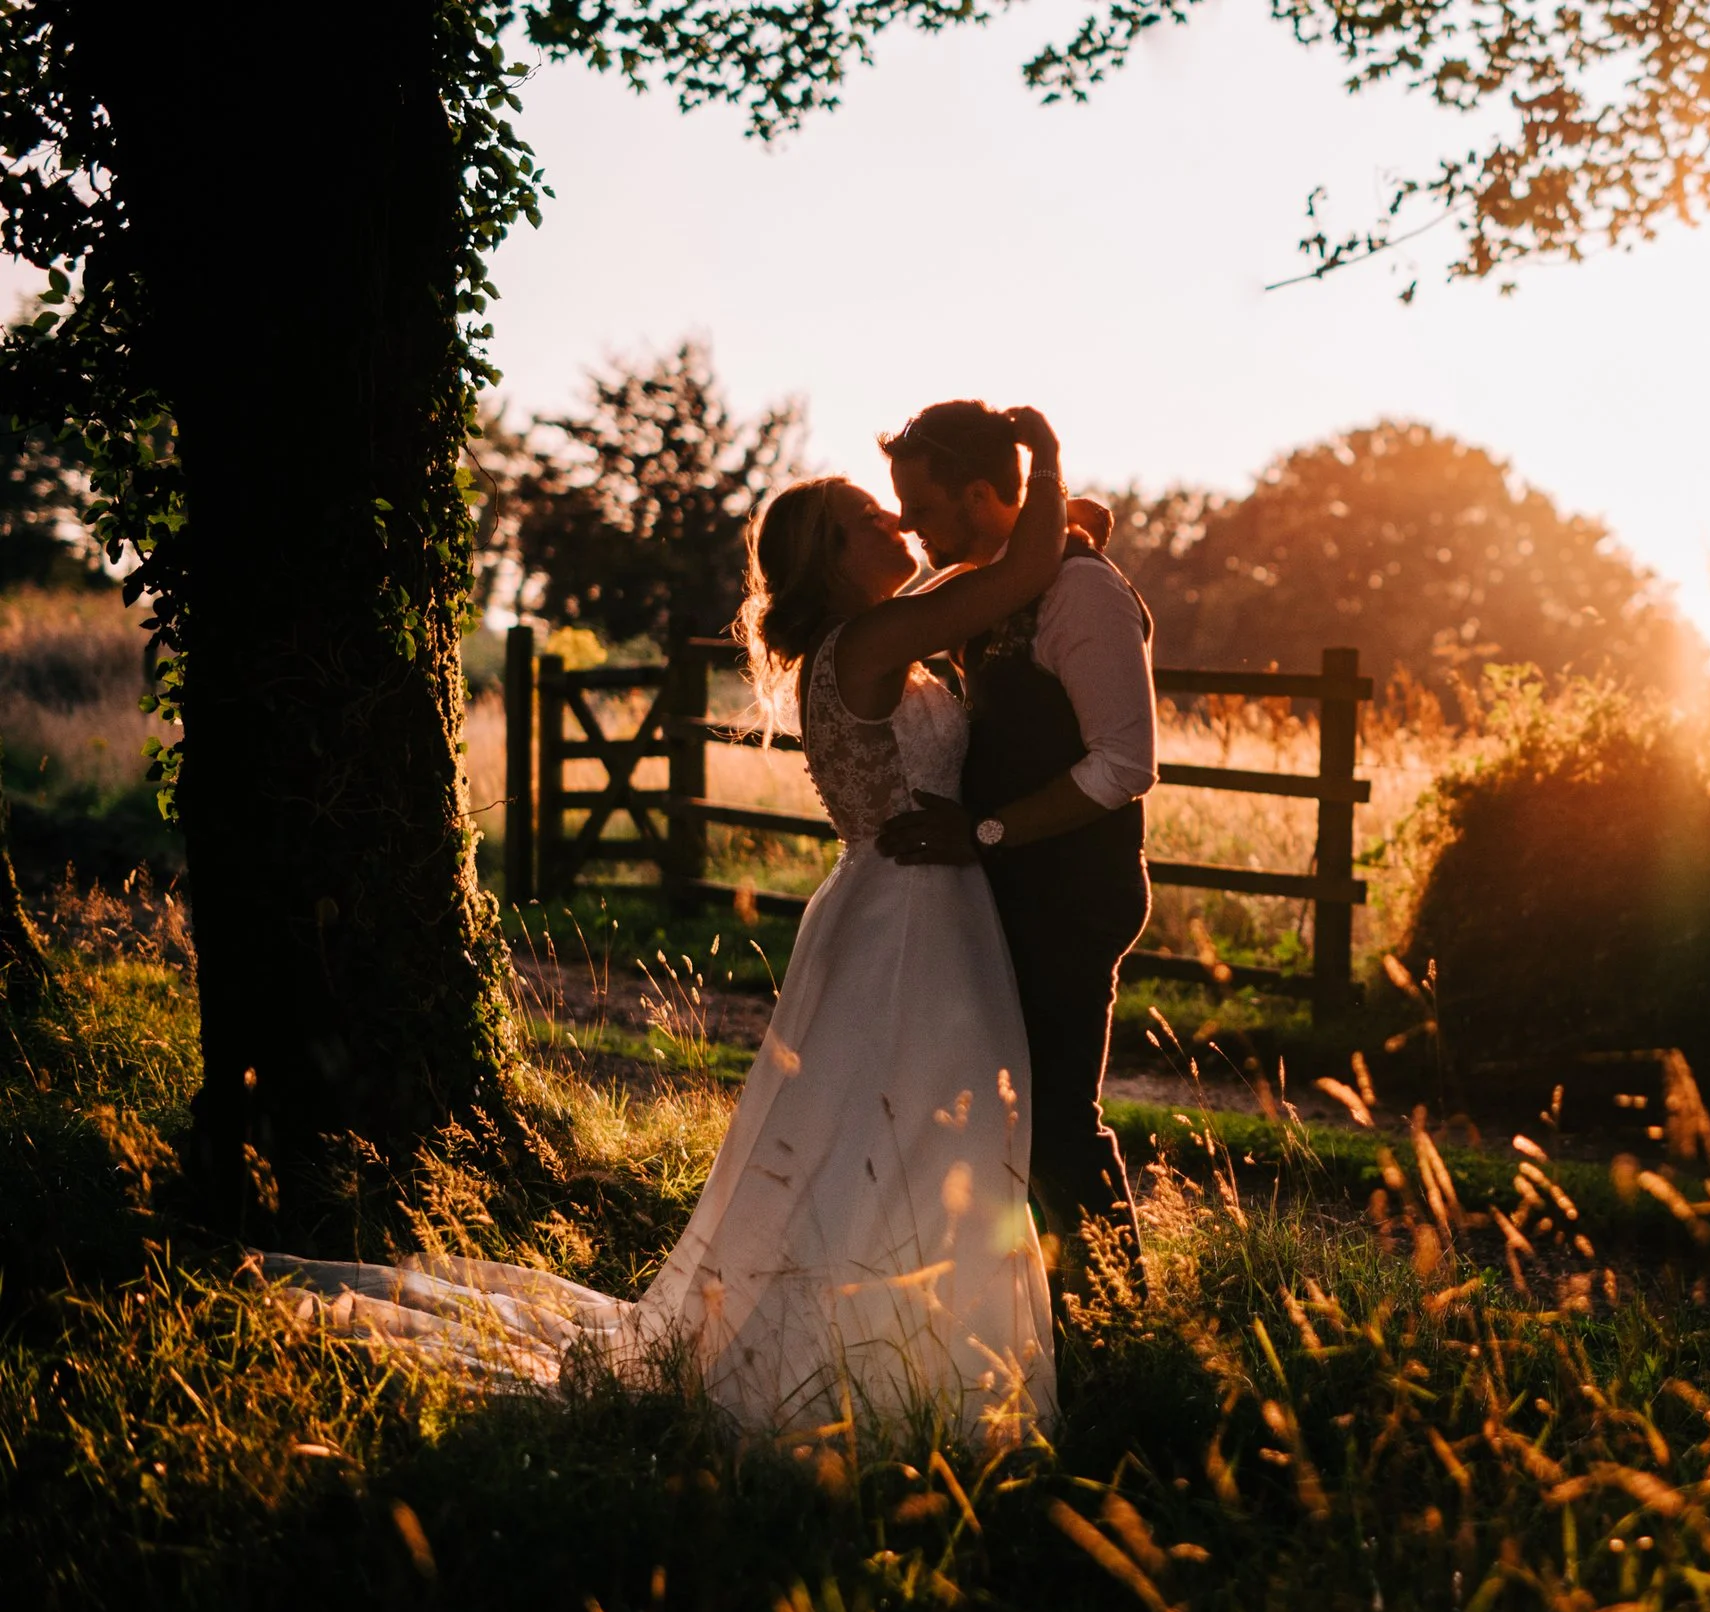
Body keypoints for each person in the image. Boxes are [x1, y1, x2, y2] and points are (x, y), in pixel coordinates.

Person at [261, 409, 1078, 1443]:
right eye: (873, 515)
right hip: (911, 922)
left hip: (905, 906)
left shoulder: (875, 629)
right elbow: (1021, 569)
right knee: (900, 1125)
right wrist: (1045, 452)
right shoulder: (871, 638)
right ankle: (865, 1367)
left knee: (900, 1129)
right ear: (831, 557)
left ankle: (911, 1347)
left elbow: (985, 575)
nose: (898, 523)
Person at [874, 400, 1157, 1299]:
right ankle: (1028, 1306)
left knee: (1058, 1117)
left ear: (981, 492)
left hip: (1072, 893)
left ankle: (1113, 1308)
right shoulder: (996, 577)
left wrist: (985, 833)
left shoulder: (1082, 593)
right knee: (1008, 1113)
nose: (910, 528)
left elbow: (1123, 764)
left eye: (921, 508)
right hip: (1004, 885)